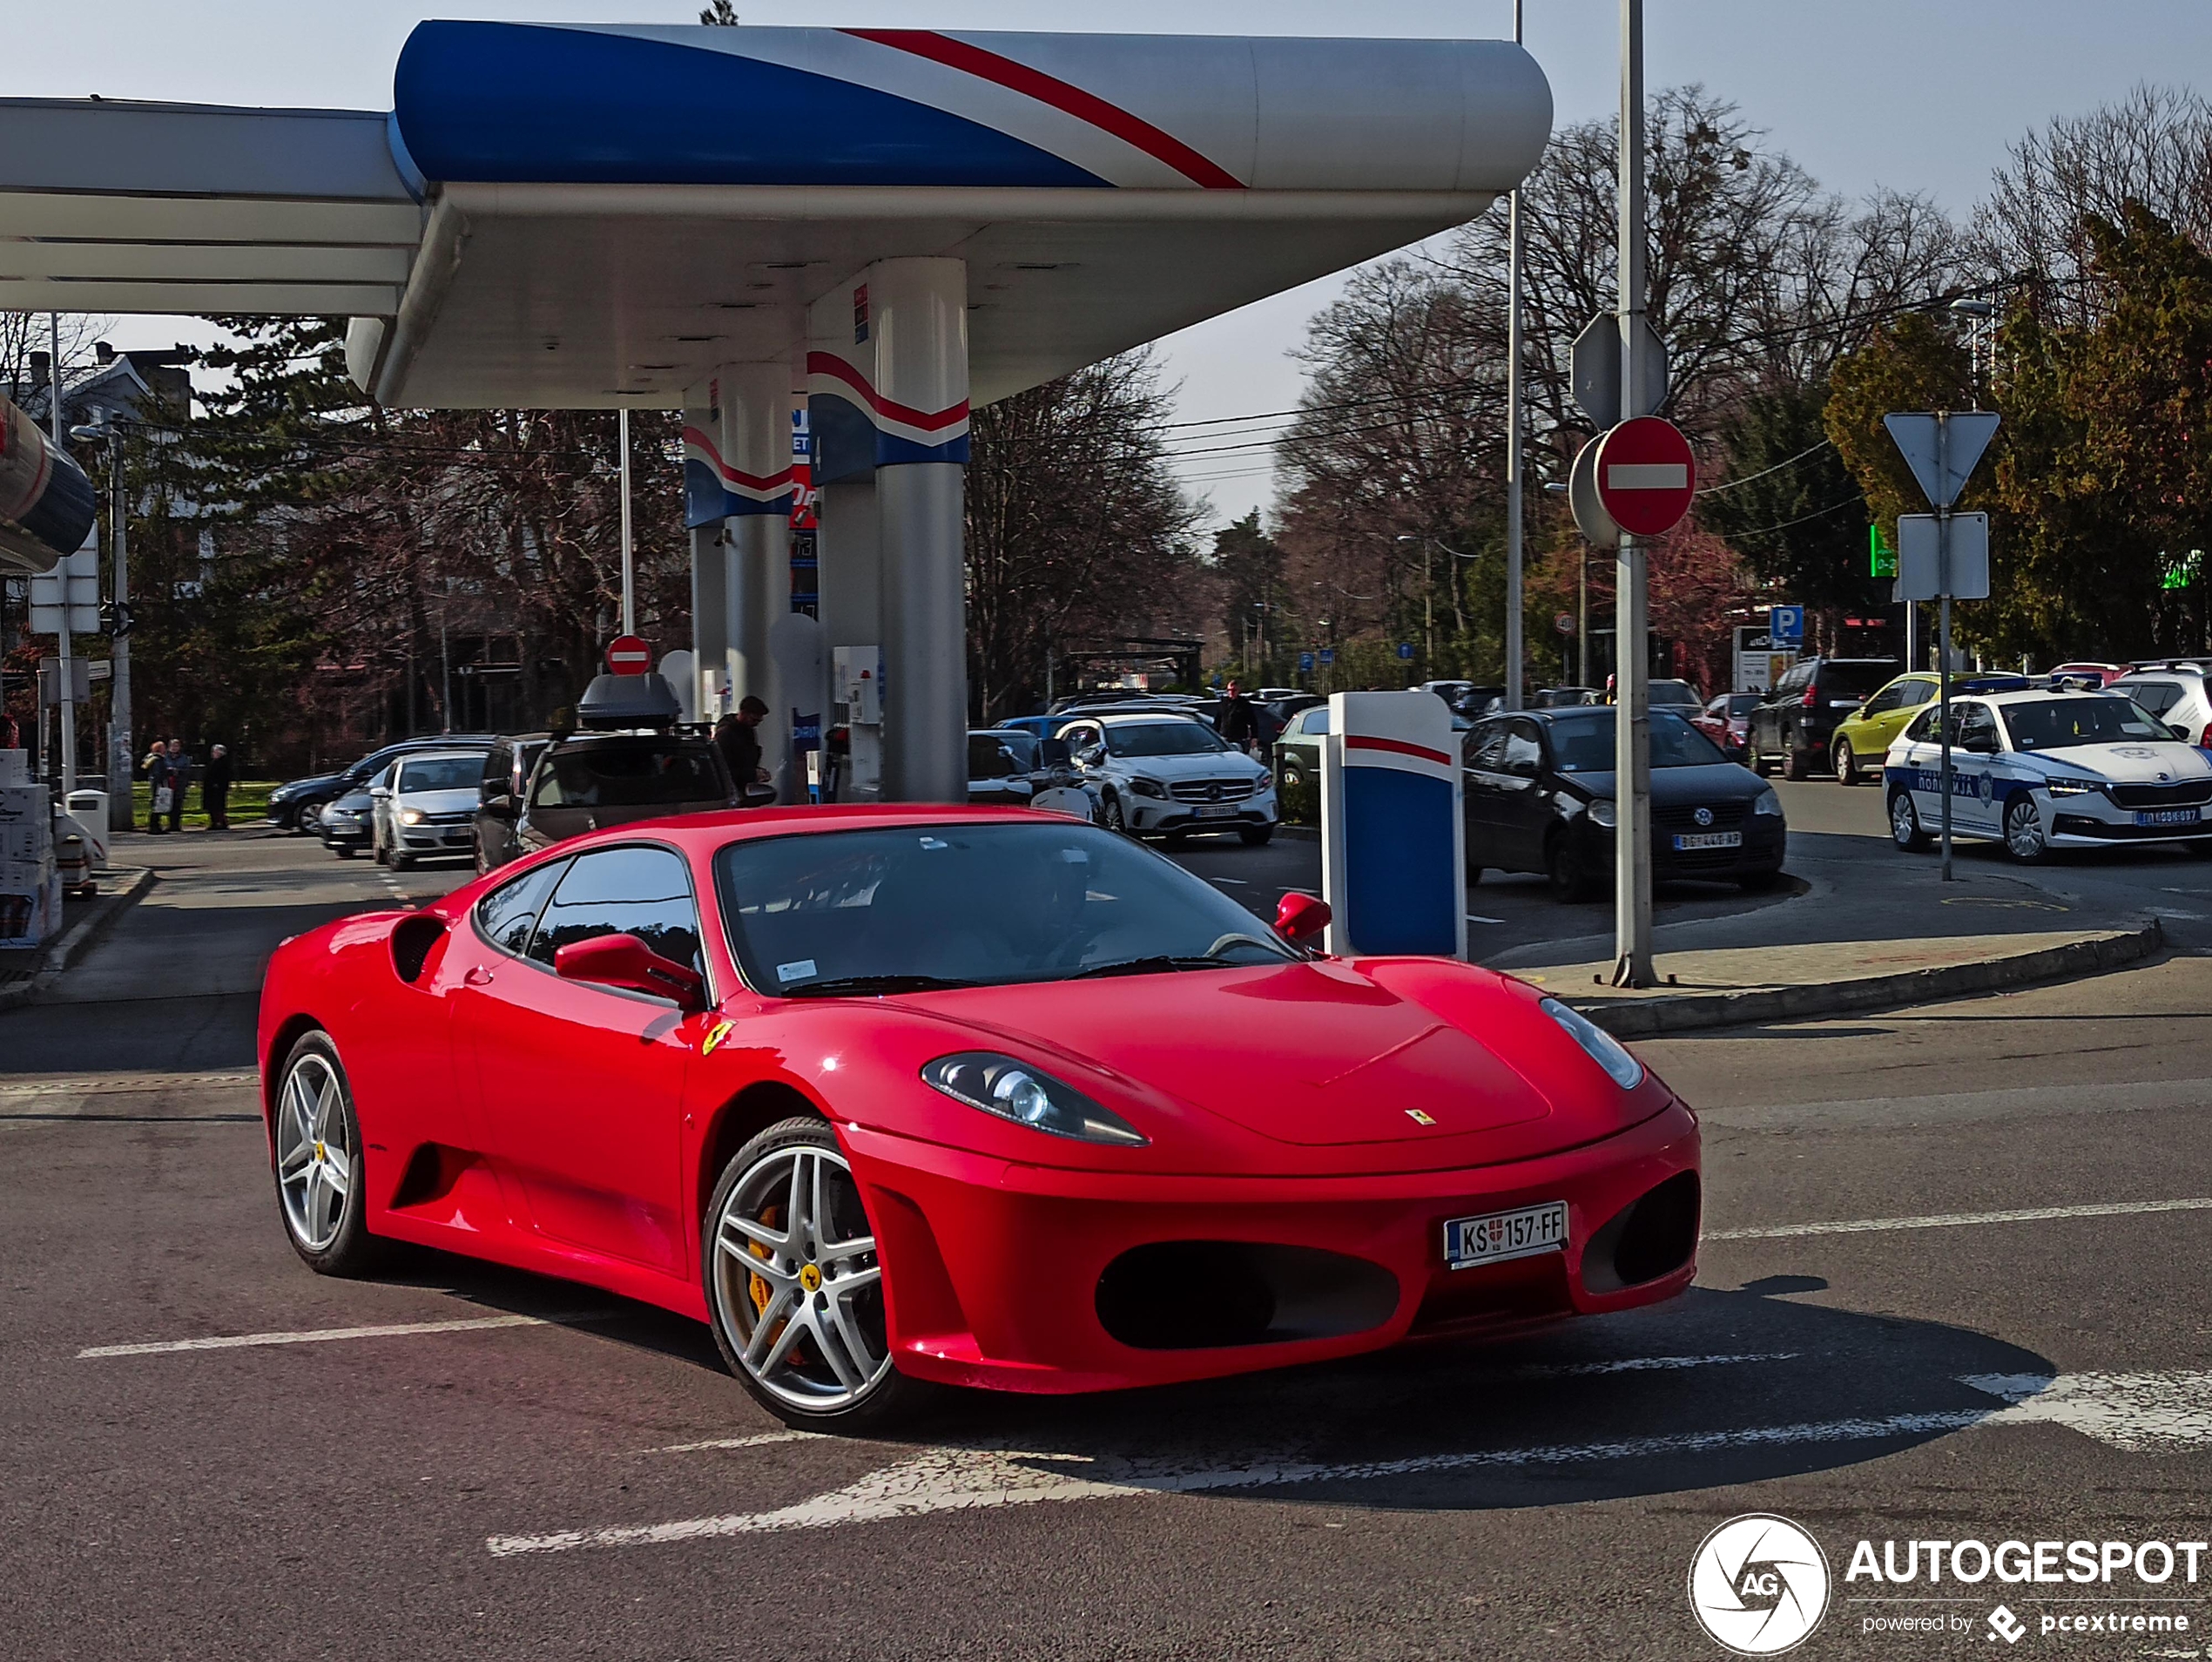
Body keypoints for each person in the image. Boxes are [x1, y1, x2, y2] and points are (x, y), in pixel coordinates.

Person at [716, 696, 772, 799]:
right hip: (733, 792)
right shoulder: (725, 735)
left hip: (743, 789)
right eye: (754, 719)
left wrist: (757, 772)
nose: (756, 724)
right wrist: (753, 774)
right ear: (743, 713)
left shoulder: (748, 731)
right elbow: (725, 770)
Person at [1216, 679, 1259, 755]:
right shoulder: (1223, 703)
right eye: (1229, 690)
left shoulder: (1244, 704)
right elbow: (1217, 721)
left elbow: (1253, 722)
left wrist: (1254, 737)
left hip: (1240, 739)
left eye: (1234, 690)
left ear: (1238, 690)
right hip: (1224, 738)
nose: (1231, 692)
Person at [145, 740, 172, 834]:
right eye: (163, 747)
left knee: (157, 804)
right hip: (158, 784)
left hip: (155, 783)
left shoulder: (152, 758)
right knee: (158, 804)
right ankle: (154, 826)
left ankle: (155, 825)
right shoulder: (158, 759)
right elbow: (158, 773)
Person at [203, 743, 233, 830]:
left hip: (217, 788)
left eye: (215, 751)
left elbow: (223, 776)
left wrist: (217, 784)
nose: (213, 753)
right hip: (210, 788)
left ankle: (220, 822)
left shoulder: (223, 763)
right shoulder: (213, 762)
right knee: (212, 806)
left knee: (218, 806)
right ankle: (215, 822)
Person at [165, 739, 191, 833]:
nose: (174, 748)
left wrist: (178, 771)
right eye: (173, 746)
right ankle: (169, 824)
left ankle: (176, 825)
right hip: (167, 784)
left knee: (177, 805)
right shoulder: (165, 757)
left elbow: (187, 770)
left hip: (179, 784)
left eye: (176, 746)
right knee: (168, 804)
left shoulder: (184, 758)